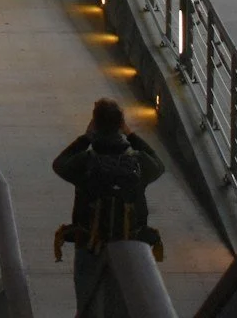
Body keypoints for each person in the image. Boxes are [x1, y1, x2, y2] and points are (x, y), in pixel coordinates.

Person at [51, 97, 166, 312]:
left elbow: (59, 164)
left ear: (94, 126)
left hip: (90, 244)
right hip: (129, 244)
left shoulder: (84, 162)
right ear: (120, 125)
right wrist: (131, 135)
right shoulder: (138, 163)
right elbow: (159, 165)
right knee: (125, 305)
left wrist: (85, 139)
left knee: (87, 303)